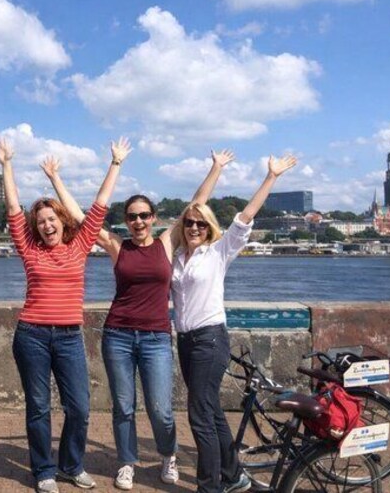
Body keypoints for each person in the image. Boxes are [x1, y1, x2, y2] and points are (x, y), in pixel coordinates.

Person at [43, 149, 235, 491]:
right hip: (117, 335)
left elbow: (196, 204)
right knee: (123, 407)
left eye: (145, 215)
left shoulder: (166, 243)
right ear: (127, 220)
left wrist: (216, 168)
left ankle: (168, 454)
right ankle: (127, 462)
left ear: (154, 218)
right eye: (132, 216)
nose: (139, 222)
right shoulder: (118, 246)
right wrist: (56, 178)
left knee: (161, 409)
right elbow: (81, 217)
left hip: (156, 337)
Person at [0, 137, 129, 493]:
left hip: (69, 336)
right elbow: (13, 207)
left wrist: (115, 163)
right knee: (38, 407)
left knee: (79, 408)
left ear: (61, 220)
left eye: (51, 219)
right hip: (32, 336)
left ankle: (71, 465)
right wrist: (6, 165)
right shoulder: (29, 249)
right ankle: (44, 470)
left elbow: (99, 205)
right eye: (40, 221)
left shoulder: (79, 246)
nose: (46, 225)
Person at [172, 154, 297, 493]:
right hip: (185, 341)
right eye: (189, 223)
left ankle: (209, 487)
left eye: (201, 224)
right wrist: (214, 168)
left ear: (210, 228)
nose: (194, 227)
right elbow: (193, 204)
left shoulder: (218, 251)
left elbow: (245, 216)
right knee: (210, 409)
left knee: (199, 415)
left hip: (210, 339)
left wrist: (271, 177)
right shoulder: (177, 256)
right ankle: (233, 475)